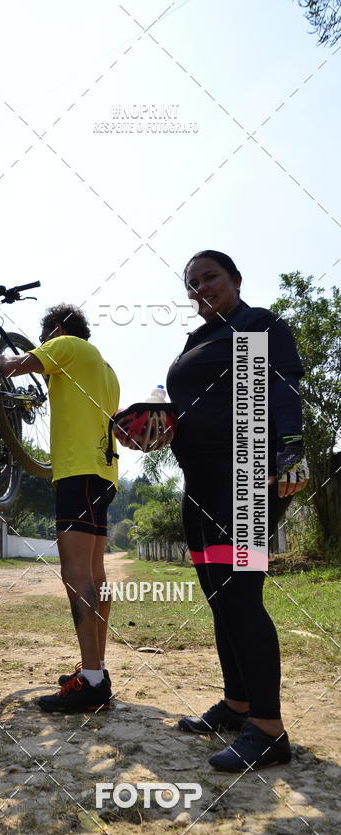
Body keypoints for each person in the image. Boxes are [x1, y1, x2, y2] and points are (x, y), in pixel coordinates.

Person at [166, 250, 309, 771]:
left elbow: (282, 389)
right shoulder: (195, 340)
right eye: (193, 282)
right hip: (199, 483)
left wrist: (289, 454)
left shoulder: (254, 324)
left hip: (246, 477)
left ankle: (268, 730)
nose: (202, 286)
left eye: (211, 277)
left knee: (241, 596)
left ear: (235, 280)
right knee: (220, 598)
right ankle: (237, 704)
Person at [0, 304, 120, 713]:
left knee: (75, 573)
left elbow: (13, 366)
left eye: (46, 336)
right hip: (103, 474)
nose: (45, 343)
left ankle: (92, 680)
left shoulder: (65, 345)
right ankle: (97, 666)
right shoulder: (106, 370)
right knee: (96, 573)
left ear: (57, 329)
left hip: (76, 471)